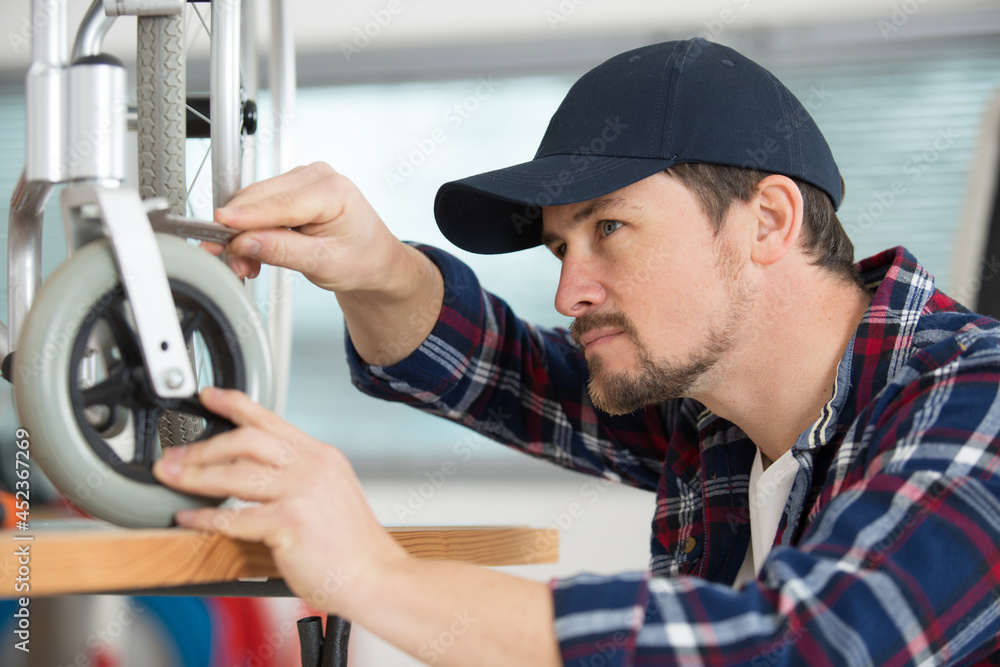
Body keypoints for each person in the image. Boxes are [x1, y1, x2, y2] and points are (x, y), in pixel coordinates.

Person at [152, 38, 1000, 665]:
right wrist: (378, 269)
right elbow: (509, 377)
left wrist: (372, 573)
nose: (569, 292)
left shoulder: (978, 402)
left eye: (610, 228)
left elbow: (800, 648)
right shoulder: (717, 420)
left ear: (768, 221)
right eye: (562, 248)